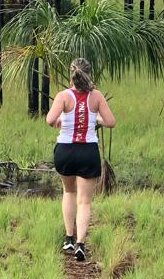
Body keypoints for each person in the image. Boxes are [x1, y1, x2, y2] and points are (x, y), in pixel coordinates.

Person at [45, 58, 116, 262]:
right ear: (89, 73)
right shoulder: (96, 96)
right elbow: (111, 122)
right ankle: (80, 244)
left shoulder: (63, 96)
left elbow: (50, 120)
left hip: (65, 152)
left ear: (72, 74)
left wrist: (60, 121)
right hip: (88, 152)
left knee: (68, 191)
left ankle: (68, 237)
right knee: (84, 201)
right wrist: (96, 119)